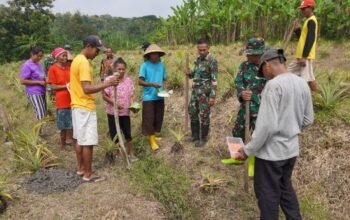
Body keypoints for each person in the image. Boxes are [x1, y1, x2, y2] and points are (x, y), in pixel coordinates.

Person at [235, 48, 314, 220]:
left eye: (262, 70)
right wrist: (290, 129)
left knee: (268, 195)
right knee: (285, 188)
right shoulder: (301, 83)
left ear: (268, 65)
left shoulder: (273, 85)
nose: (263, 75)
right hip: (291, 151)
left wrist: (248, 150)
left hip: (271, 155)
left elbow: (267, 127)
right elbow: (308, 119)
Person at [70, 35, 119, 182]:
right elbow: (87, 88)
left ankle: (81, 169)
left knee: (80, 140)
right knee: (88, 142)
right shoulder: (83, 63)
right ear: (89, 47)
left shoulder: (77, 60)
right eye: (97, 50)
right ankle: (88, 174)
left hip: (77, 106)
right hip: (84, 107)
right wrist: (107, 84)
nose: (98, 54)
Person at [103, 58, 138, 162]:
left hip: (125, 112)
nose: (121, 71)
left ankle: (131, 153)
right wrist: (114, 103)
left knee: (127, 133)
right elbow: (104, 96)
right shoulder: (109, 80)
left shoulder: (128, 81)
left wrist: (133, 106)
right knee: (115, 134)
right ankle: (118, 153)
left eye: (123, 69)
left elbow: (131, 95)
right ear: (114, 69)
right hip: (112, 112)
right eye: (119, 69)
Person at [185, 37, 218, 147]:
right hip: (195, 92)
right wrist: (189, 73)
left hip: (205, 94)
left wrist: (212, 96)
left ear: (208, 48)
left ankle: (203, 138)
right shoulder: (198, 60)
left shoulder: (212, 61)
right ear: (197, 49)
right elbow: (195, 74)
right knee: (192, 111)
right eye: (200, 50)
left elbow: (214, 80)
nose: (202, 52)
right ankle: (194, 135)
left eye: (204, 49)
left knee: (204, 115)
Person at [232, 37, 266, 141]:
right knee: (237, 133)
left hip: (261, 111)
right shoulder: (244, 66)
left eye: (249, 54)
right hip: (245, 108)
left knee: (260, 137)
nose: (247, 56)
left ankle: (257, 156)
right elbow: (238, 81)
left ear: (257, 54)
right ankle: (238, 155)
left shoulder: (267, 67)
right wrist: (241, 93)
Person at [138, 44, 167, 151]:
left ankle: (153, 136)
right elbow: (140, 81)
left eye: (156, 53)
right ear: (149, 55)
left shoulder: (161, 65)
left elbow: (164, 79)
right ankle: (151, 140)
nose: (154, 55)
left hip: (159, 96)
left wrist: (164, 89)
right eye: (152, 54)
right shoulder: (144, 66)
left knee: (158, 117)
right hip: (149, 96)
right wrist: (151, 84)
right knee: (149, 118)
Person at [288, 0, 318, 92]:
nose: (302, 11)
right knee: (288, 72)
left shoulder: (312, 21)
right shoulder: (308, 20)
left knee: (308, 79)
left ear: (311, 8)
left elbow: (310, 39)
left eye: (304, 9)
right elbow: (303, 38)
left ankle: (314, 97)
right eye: (302, 9)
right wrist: (297, 30)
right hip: (300, 56)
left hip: (305, 56)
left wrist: (304, 56)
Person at [47, 47, 72, 151]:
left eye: (66, 55)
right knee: (63, 125)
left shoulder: (69, 68)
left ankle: (71, 141)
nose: (65, 57)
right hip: (62, 100)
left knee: (72, 123)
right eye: (63, 55)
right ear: (57, 58)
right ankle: (63, 145)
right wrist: (66, 86)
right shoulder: (53, 69)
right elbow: (53, 87)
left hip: (72, 99)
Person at [20, 46, 48, 121]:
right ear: (32, 54)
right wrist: (38, 82)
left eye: (41, 56)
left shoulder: (38, 64)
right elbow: (22, 81)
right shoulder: (27, 65)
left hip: (42, 92)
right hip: (34, 92)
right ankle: (38, 132)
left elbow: (42, 75)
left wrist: (46, 79)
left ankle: (40, 132)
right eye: (38, 56)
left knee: (43, 113)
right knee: (40, 115)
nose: (39, 58)